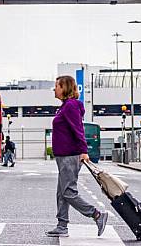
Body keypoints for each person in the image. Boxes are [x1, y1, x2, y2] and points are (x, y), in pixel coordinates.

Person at [46, 75, 108, 238]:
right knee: (62, 192)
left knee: (68, 192)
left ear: (64, 87)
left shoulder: (71, 106)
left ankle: (97, 215)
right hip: (64, 156)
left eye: (57, 86)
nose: (55, 89)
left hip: (70, 156)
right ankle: (62, 225)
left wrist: (83, 150)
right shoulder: (65, 106)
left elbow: (78, 129)